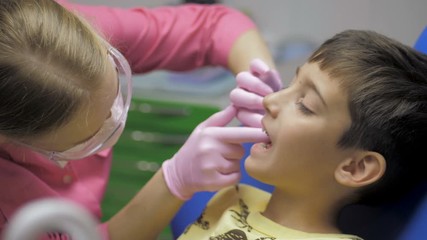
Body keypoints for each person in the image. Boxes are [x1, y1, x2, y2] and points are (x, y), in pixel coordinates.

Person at [0, 0, 281, 239]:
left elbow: (214, 26)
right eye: (90, 132)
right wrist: (172, 181)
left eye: (306, 103)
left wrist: (261, 83)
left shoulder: (50, 36)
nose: (114, 116)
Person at [177, 30, 427, 239]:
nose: (270, 100)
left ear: (356, 167)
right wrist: (173, 180)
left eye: (305, 104)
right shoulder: (231, 198)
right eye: (289, 85)